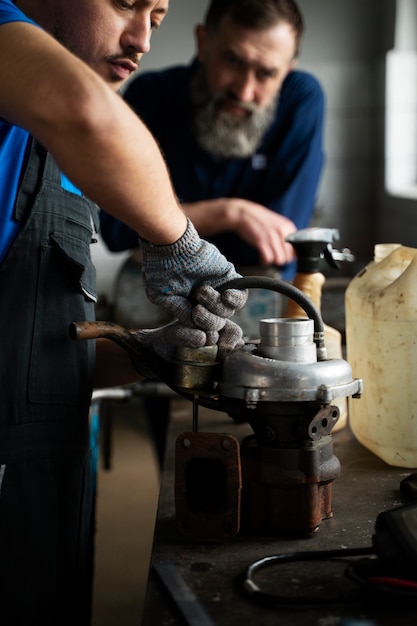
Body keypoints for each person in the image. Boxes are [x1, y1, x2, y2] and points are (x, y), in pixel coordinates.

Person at [0, 1, 246, 624]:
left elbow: (37, 363)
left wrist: (148, 351)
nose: (140, 39)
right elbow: (85, 110)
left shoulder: (74, 160)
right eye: (126, 3)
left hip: (53, 497)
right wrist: (178, 242)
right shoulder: (69, 109)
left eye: (157, 18)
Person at [100, 0, 325, 283]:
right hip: (159, 298)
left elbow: (279, 242)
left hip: (265, 296)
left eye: (266, 74)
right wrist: (231, 214)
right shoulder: (151, 95)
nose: (244, 92)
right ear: (203, 43)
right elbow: (117, 229)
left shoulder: (301, 99)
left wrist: (163, 223)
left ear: (288, 70)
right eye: (232, 61)